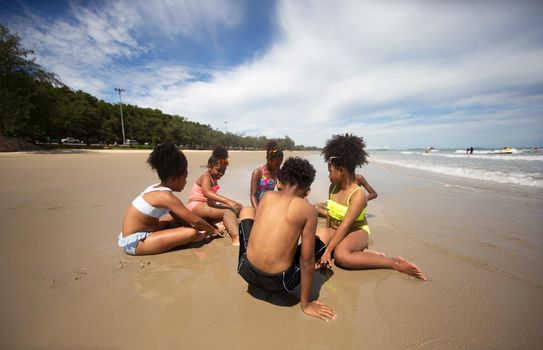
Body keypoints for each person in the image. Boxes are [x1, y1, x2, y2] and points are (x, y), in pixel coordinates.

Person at [237, 157, 336, 321]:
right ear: (307, 191)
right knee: (325, 233)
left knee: (247, 211)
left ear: (280, 182)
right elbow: (307, 261)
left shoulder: (267, 196)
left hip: (246, 270)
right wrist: (306, 304)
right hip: (278, 282)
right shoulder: (308, 210)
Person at [316, 134, 427, 280]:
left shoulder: (358, 195)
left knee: (342, 257)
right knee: (317, 238)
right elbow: (330, 217)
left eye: (330, 171)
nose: (328, 175)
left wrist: (328, 250)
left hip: (356, 231)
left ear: (341, 170)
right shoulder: (333, 187)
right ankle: (361, 252)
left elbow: (345, 226)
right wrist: (325, 240)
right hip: (337, 230)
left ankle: (395, 263)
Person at [118, 142, 221, 255]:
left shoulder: (154, 188)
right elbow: (195, 220)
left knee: (169, 218)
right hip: (135, 243)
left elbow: (180, 217)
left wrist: (191, 225)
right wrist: (214, 230)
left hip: (130, 237)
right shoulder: (166, 197)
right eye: (185, 177)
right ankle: (195, 237)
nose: (186, 182)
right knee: (190, 233)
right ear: (174, 177)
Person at [187, 146, 242, 245]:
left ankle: (216, 224)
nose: (221, 173)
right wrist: (228, 202)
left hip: (206, 206)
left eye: (223, 171)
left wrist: (234, 204)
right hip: (197, 206)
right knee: (228, 211)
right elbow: (207, 192)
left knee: (237, 208)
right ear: (209, 167)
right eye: (218, 170)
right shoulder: (206, 177)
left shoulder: (214, 178)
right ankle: (236, 237)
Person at [250, 140, 284, 208]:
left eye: (280, 163)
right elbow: (252, 196)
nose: (279, 166)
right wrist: (258, 211)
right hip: (259, 205)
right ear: (269, 160)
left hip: (270, 204)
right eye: (276, 164)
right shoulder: (258, 172)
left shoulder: (278, 171)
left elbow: (284, 188)